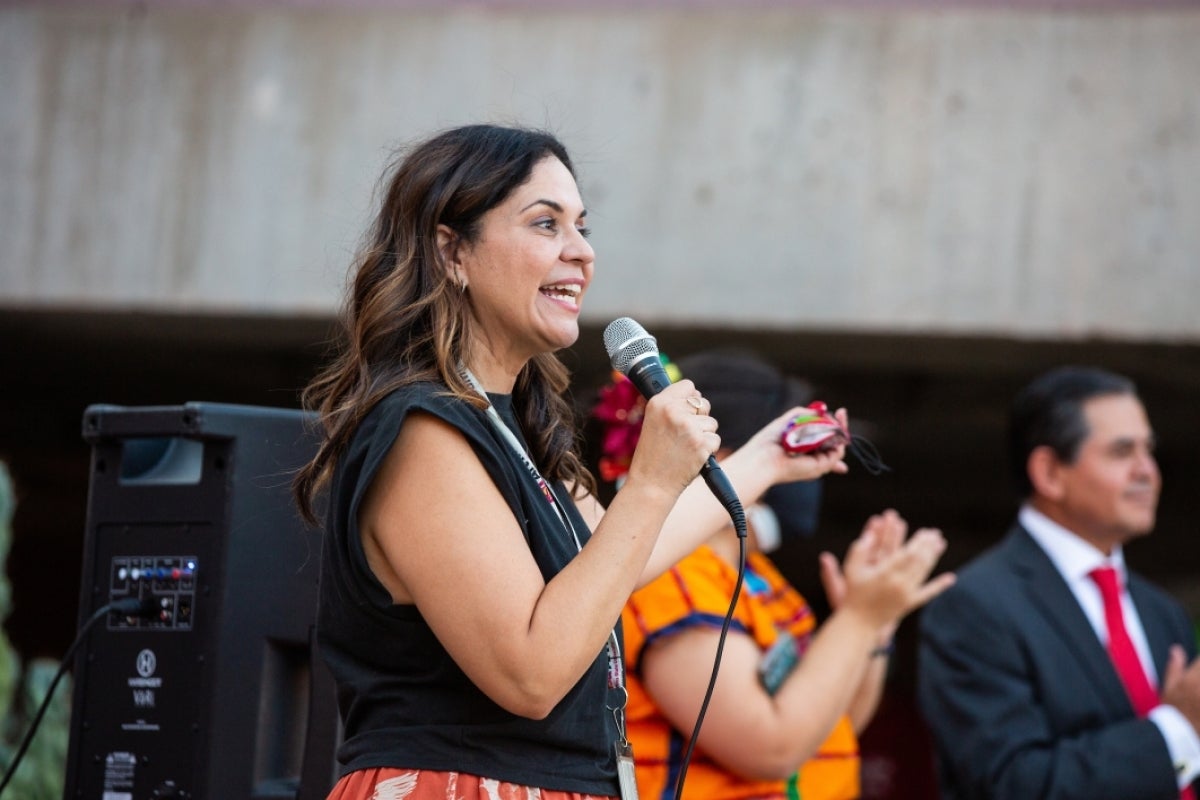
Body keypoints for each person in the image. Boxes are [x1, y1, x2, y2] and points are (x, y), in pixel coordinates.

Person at [291, 124, 894, 800]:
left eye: (583, 226)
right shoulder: (422, 431)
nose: (582, 253)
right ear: (451, 250)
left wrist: (764, 461)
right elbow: (531, 676)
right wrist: (653, 479)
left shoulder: (520, 422)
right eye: (546, 224)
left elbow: (616, 557)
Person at [593, 349, 956, 800]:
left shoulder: (753, 572)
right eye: (795, 447)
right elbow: (771, 748)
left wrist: (874, 625)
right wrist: (857, 620)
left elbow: (829, 730)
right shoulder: (669, 572)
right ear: (715, 453)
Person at [917, 365, 1200, 799]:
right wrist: (1177, 730)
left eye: (1149, 450)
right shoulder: (973, 606)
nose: (1147, 471)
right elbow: (1015, 784)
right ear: (1049, 472)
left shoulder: (1161, 611)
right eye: (1122, 452)